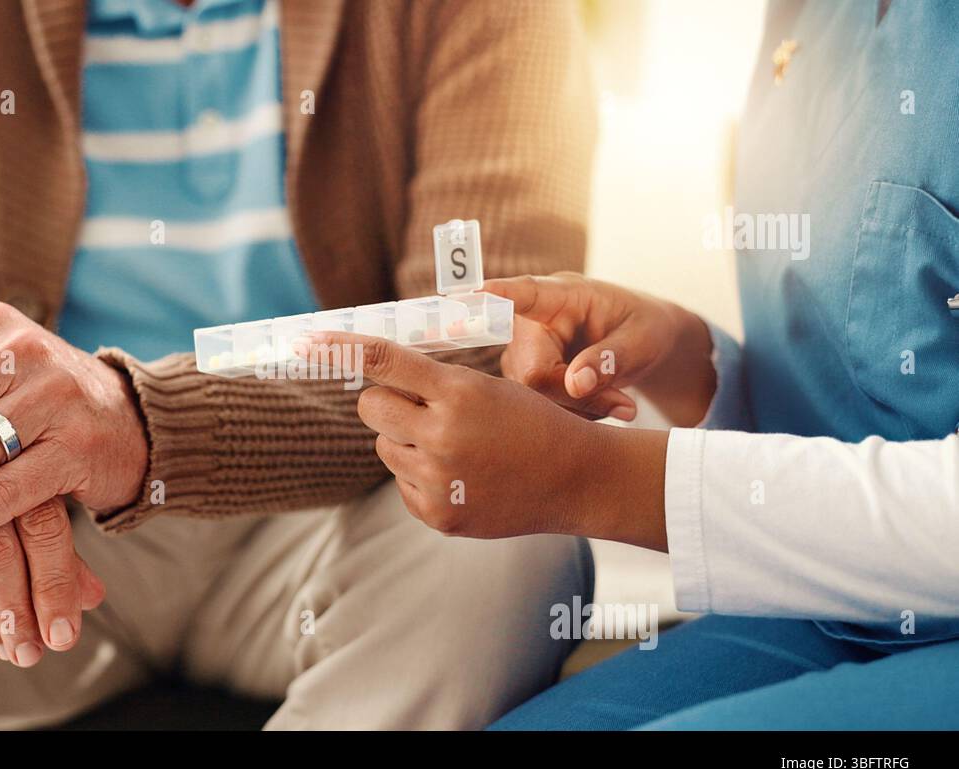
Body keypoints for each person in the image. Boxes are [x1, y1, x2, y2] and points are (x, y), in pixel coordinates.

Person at [0, 0, 597, 730]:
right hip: (13, 528)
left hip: (334, 515)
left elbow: (479, 325)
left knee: (514, 538)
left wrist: (138, 423)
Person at [302, 0, 959, 729]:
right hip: (821, 605)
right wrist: (684, 358)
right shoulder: (803, 22)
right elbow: (851, 396)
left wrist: (595, 478)